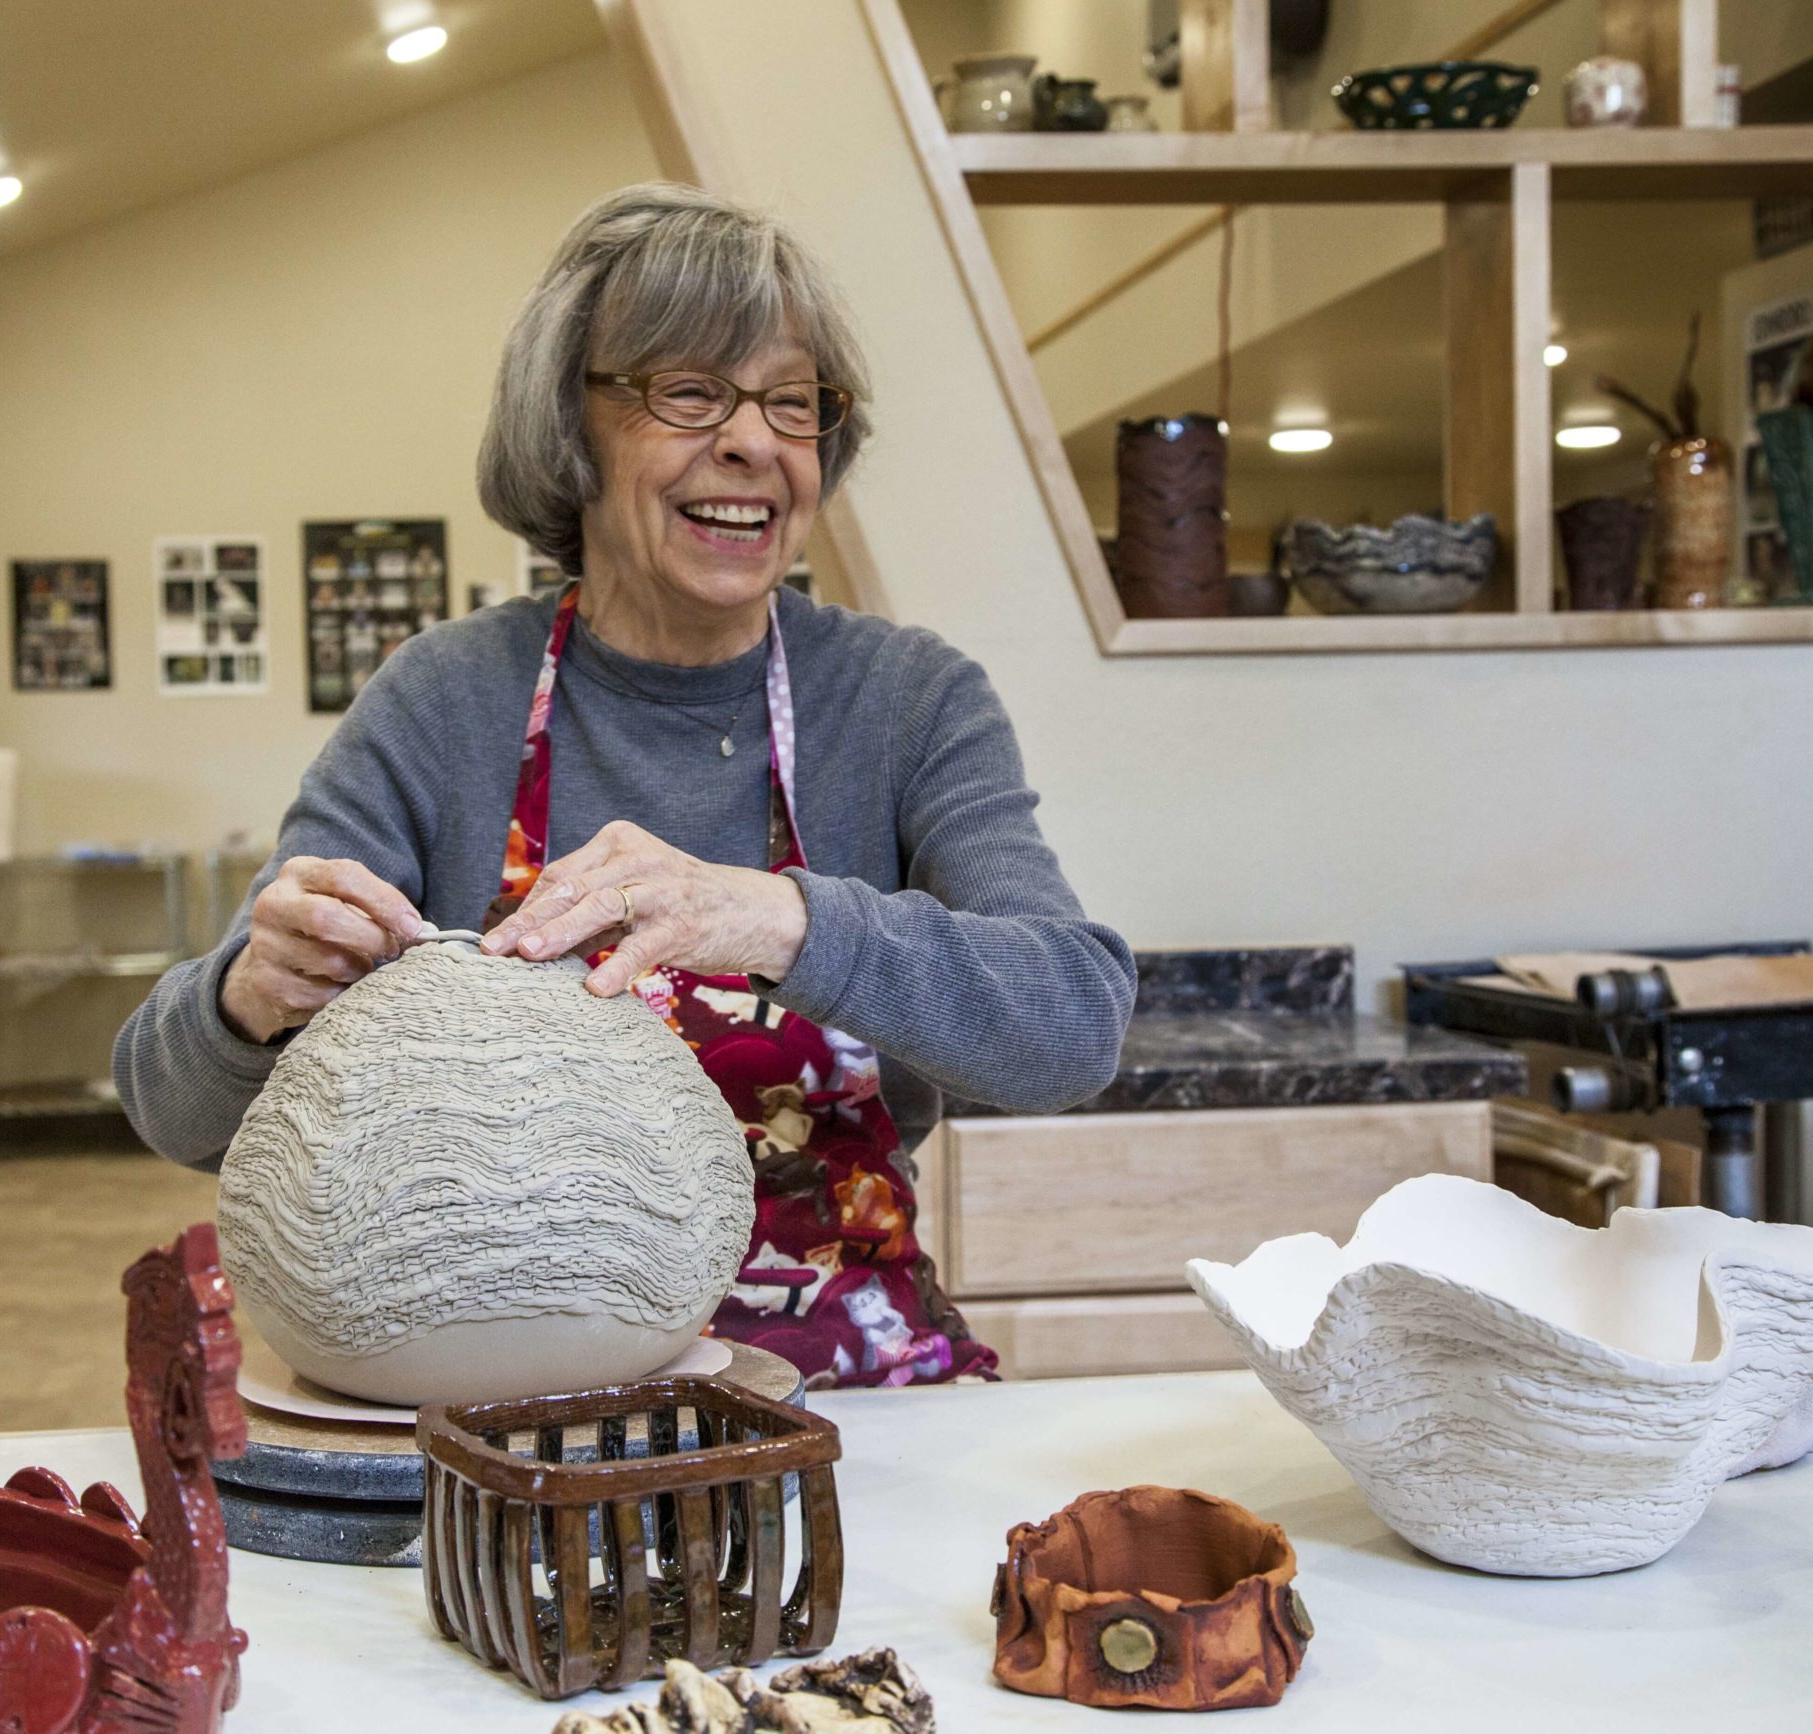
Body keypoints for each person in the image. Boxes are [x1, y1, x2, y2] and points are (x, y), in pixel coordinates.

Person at [117, 183, 1133, 1387]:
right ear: (570, 426)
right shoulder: (445, 699)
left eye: (792, 401)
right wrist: (253, 996)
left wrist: (775, 918)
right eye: (689, 392)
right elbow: (176, 1113)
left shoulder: (906, 700)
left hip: (850, 1403)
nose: (753, 443)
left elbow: (1073, 1028)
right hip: (510, 1417)